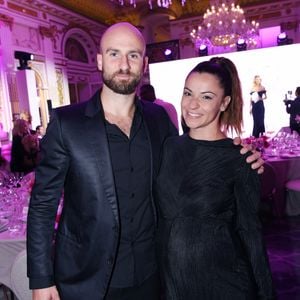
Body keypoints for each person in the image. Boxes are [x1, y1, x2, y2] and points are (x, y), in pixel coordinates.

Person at [27, 22, 264, 300]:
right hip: (88, 278)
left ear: (144, 62)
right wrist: (41, 280)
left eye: (134, 55)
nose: (124, 64)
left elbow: (192, 156)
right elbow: (43, 205)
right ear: (100, 60)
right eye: (114, 54)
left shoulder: (159, 120)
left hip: (154, 276)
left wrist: (240, 154)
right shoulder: (67, 124)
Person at [155, 57, 275, 300]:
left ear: (224, 103)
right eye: (188, 93)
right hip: (172, 282)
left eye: (206, 97)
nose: (192, 104)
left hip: (223, 283)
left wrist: (266, 294)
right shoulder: (168, 147)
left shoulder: (240, 159)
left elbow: (250, 233)